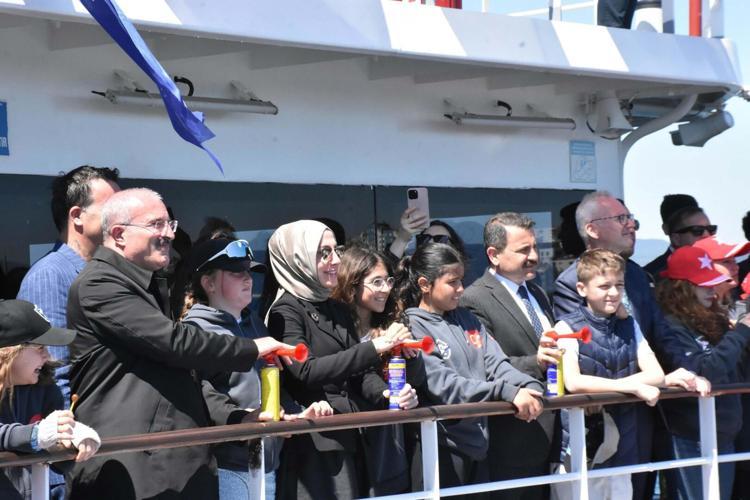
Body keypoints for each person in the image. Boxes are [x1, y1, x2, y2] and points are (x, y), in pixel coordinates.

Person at [65, 188, 295, 500]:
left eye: (170, 224)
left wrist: (239, 419)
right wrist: (252, 348)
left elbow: (186, 378)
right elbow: (173, 343)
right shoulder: (99, 283)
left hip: (172, 468)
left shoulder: (147, 286)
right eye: (156, 224)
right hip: (129, 472)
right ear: (119, 234)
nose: (169, 234)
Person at [265, 219, 418, 500]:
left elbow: (360, 373)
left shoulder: (336, 307)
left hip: (352, 436)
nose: (335, 260)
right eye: (323, 253)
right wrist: (374, 347)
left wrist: (388, 394)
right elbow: (306, 370)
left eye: (336, 250)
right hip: (314, 447)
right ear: (298, 259)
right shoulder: (285, 311)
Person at [181, 238, 333, 500]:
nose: (248, 278)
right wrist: (243, 418)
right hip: (227, 465)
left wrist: (295, 413)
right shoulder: (194, 331)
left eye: (249, 271)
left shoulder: (255, 323)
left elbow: (272, 384)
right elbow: (202, 395)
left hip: (266, 459)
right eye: (236, 272)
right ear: (209, 283)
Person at [396, 242, 544, 494]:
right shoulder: (412, 326)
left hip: (479, 446)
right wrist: (507, 392)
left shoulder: (467, 318)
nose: (460, 289)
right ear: (424, 285)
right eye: (452, 282)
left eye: (461, 281)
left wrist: (528, 386)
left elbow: (496, 363)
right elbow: (445, 385)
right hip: (439, 448)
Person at [552, 191, 666, 499]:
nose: (614, 293)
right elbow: (575, 379)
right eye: (621, 218)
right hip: (589, 434)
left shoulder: (636, 288)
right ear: (582, 288)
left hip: (633, 426)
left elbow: (656, 367)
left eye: (618, 285)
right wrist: (635, 386)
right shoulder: (566, 317)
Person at [15, 165, 119, 500]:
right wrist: (66, 462)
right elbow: (51, 374)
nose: (122, 217)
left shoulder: (103, 277)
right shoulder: (50, 275)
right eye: (112, 208)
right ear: (77, 216)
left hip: (99, 451)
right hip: (71, 466)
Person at [459, 212, 558, 499]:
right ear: (494, 255)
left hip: (551, 434)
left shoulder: (538, 293)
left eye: (534, 247)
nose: (534, 257)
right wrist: (536, 362)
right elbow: (481, 365)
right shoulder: (475, 299)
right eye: (523, 250)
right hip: (511, 441)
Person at [654, 245, 750, 500]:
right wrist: (742, 331)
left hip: (724, 435)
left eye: (712, 284)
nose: (712, 291)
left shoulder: (714, 320)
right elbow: (704, 371)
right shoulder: (670, 326)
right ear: (681, 288)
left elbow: (738, 372)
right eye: (703, 285)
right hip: (691, 438)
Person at [331, 244, 425, 495]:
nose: (385, 289)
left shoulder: (394, 321)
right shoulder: (335, 326)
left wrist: (409, 355)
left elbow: (416, 379)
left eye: (388, 280)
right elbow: (349, 376)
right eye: (377, 282)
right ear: (352, 285)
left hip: (389, 443)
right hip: (352, 438)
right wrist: (378, 349)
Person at [0, 299, 100, 500]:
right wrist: (34, 434)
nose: (47, 355)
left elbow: (59, 464)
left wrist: (70, 437)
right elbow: (33, 435)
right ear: (9, 351)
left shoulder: (45, 388)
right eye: (40, 348)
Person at [644, 195, 713, 280]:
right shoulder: (650, 276)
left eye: (711, 229)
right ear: (676, 238)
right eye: (697, 230)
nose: (707, 235)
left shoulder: (723, 266)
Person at [693, 235, 750, 322]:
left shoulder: (735, 299)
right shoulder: (696, 311)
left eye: (734, 261)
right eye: (726, 262)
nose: (736, 267)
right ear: (706, 267)